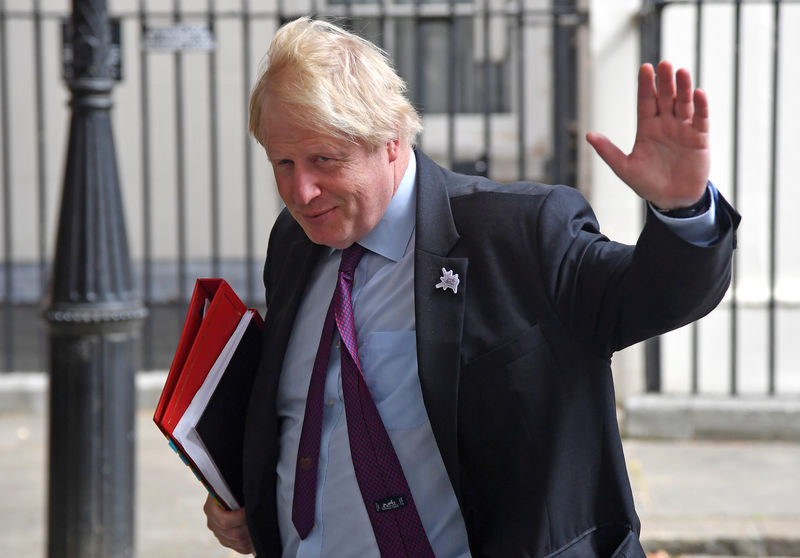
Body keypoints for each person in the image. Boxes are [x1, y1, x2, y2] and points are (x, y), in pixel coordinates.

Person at [204, 16, 739, 558]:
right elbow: (305, 411)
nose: (301, 190)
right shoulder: (295, 245)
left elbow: (659, 295)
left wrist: (683, 212)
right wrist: (249, 500)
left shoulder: (519, 234)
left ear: (390, 140)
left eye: (324, 160)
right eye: (283, 163)